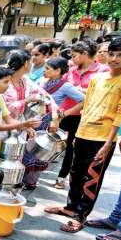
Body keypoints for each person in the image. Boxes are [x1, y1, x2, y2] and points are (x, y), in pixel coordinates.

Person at [45, 36, 121, 233]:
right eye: (111, 54)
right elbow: (87, 105)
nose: (114, 59)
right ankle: (70, 208)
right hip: (83, 132)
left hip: (102, 138)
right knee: (75, 173)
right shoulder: (97, 79)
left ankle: (80, 215)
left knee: (91, 178)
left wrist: (108, 143)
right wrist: (76, 134)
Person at [56, 41, 110, 188]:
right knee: (56, 142)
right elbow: (62, 88)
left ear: (85, 54)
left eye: (74, 56)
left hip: (83, 116)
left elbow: (100, 93)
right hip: (63, 113)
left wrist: (78, 90)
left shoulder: (103, 71)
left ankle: (62, 176)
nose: (72, 59)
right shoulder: (71, 70)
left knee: (71, 147)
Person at [3, 50, 59, 190]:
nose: (33, 62)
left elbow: (47, 96)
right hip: (1, 128)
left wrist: (54, 117)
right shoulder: (4, 81)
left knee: (15, 161)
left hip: (20, 128)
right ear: (25, 64)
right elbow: (6, 108)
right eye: (30, 60)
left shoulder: (25, 81)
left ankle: (8, 190)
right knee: (2, 162)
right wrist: (27, 100)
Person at [40, 57, 86, 189]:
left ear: (58, 70)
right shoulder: (47, 81)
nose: (45, 71)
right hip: (42, 119)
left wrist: (64, 113)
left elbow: (83, 101)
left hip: (53, 120)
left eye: (48, 68)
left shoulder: (65, 85)